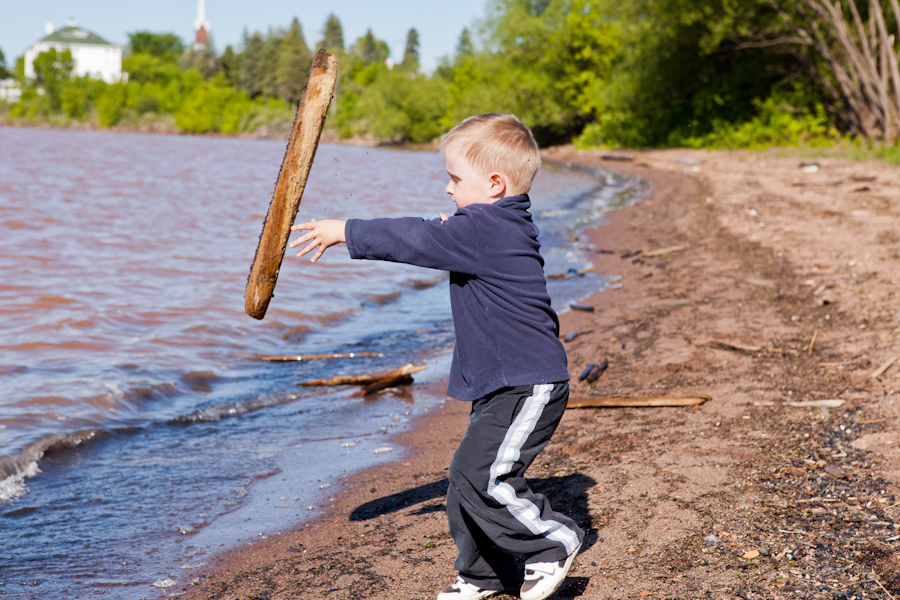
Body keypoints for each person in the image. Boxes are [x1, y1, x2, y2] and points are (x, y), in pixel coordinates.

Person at [289, 113, 584, 600]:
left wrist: (347, 230)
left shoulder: (486, 229)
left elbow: (418, 239)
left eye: (454, 178)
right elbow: (441, 234)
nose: (447, 189)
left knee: (483, 475)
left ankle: (552, 541)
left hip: (527, 382)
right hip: (502, 381)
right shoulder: (497, 224)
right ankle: (484, 575)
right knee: (463, 480)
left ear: (494, 184)